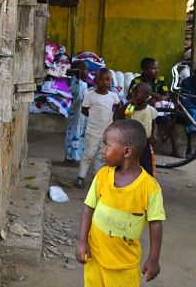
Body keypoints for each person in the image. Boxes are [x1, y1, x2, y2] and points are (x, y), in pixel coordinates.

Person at [75, 119, 165, 285]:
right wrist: (82, 241)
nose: (103, 150)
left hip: (124, 267)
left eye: (107, 145)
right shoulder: (102, 176)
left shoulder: (149, 188)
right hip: (94, 258)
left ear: (127, 151)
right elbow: (89, 208)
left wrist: (153, 259)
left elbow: (156, 224)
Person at [75, 68, 120, 189]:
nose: (104, 82)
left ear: (111, 81)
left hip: (107, 134)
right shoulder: (90, 95)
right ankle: (81, 177)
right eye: (100, 79)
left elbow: (118, 106)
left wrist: (114, 119)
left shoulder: (113, 96)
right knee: (88, 155)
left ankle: (97, 179)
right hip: (92, 132)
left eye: (107, 79)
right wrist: (94, 118)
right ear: (95, 81)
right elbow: (85, 110)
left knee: (101, 157)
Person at [127, 57, 182, 157]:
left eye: (157, 68)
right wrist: (151, 94)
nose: (157, 71)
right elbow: (130, 97)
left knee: (169, 124)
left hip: (158, 111)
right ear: (144, 70)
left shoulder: (161, 80)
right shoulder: (136, 81)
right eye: (154, 68)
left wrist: (156, 98)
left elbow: (166, 96)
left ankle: (175, 149)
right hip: (141, 110)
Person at [120, 82, 158, 176]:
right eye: (133, 93)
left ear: (146, 96)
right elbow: (119, 117)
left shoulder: (150, 110)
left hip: (145, 142)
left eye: (136, 93)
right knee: (128, 163)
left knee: (146, 164)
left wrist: (154, 134)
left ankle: (147, 182)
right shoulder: (131, 108)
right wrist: (128, 104)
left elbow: (154, 124)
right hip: (131, 142)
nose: (133, 95)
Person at [64, 60, 89, 166]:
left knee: (80, 135)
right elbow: (76, 92)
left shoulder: (84, 84)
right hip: (76, 114)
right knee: (73, 135)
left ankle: (76, 156)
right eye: (85, 70)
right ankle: (70, 157)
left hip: (82, 115)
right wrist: (76, 73)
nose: (87, 72)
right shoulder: (74, 82)